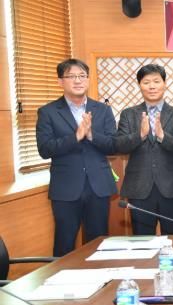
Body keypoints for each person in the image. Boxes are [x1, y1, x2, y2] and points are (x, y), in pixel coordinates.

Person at [36, 58, 118, 257]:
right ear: (60, 81)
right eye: (71, 76)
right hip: (66, 188)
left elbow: (113, 145)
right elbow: (45, 149)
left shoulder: (103, 110)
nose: (78, 80)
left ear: (88, 80)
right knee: (64, 244)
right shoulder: (48, 112)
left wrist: (90, 135)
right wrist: (76, 137)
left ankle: (100, 276)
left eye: (82, 76)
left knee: (98, 244)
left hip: (98, 186)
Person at [116, 64, 173, 234]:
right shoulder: (128, 114)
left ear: (164, 84)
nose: (152, 86)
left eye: (156, 81)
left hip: (171, 188)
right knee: (142, 242)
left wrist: (163, 136)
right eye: (146, 82)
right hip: (139, 188)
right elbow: (120, 145)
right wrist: (140, 135)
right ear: (139, 85)